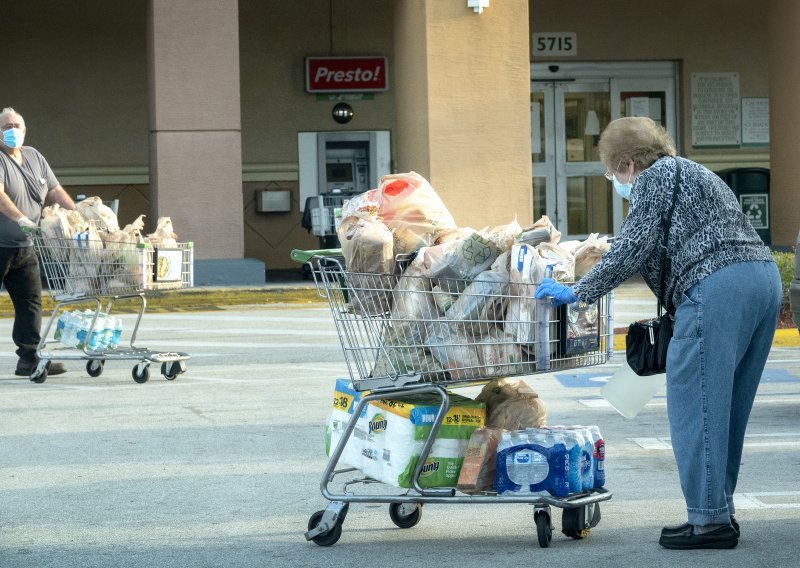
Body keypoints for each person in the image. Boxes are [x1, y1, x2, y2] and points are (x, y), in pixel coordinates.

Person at [535, 116, 781, 550]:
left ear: (629, 163)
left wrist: (579, 292)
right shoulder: (694, 171)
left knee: (697, 408)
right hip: (761, 282)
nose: (615, 180)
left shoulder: (654, 178)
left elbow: (633, 247)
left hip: (715, 286)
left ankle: (708, 523)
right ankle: (718, 510)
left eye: (613, 171)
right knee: (727, 408)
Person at [0, 107, 76, 378]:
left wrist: (77, 215)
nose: (12, 131)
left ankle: (29, 359)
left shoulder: (34, 157)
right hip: (1, 245)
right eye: (6, 126)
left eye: (16, 125)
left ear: (25, 129)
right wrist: (20, 218)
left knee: (31, 303)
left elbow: (55, 191)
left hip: (26, 246)